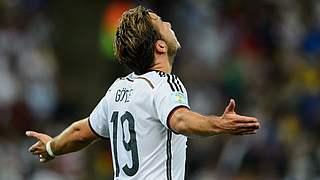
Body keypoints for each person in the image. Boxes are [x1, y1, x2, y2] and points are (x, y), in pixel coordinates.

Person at [26, 6, 260, 180]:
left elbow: (82, 131)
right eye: (161, 23)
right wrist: (220, 124)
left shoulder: (117, 89)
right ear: (160, 46)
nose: (168, 23)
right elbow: (179, 119)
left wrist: (51, 147)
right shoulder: (165, 84)